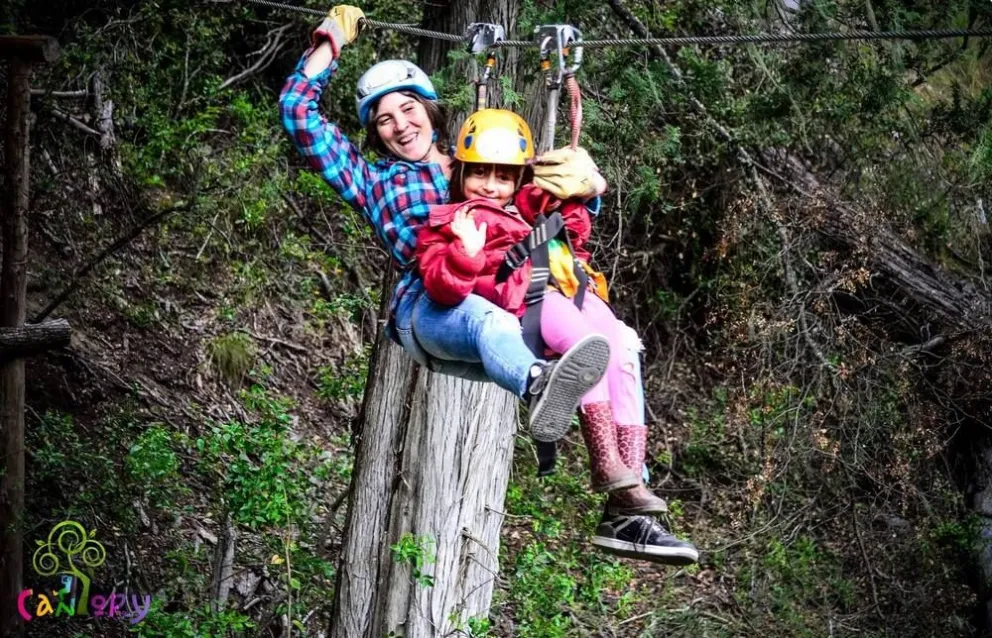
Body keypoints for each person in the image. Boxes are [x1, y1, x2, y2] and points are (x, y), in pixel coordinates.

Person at [278, 6, 612, 443]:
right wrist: (331, 39)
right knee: (491, 324)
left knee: (598, 335)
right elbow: (297, 112)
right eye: (385, 119)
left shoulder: (476, 164)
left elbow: (549, 202)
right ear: (376, 133)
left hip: (498, 290)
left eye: (408, 108)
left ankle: (619, 468)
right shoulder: (371, 181)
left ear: (428, 109)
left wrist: (592, 187)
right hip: (431, 305)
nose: (401, 125)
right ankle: (537, 385)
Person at [415, 109, 699, 564]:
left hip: (567, 288)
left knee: (623, 347)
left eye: (503, 177)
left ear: (518, 180)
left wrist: (586, 187)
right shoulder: (450, 221)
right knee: (589, 346)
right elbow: (441, 287)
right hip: (530, 302)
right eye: (480, 174)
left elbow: (576, 225)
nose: (490, 186)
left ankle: (627, 493)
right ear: (461, 173)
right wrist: (466, 255)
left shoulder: (529, 206)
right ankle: (605, 462)